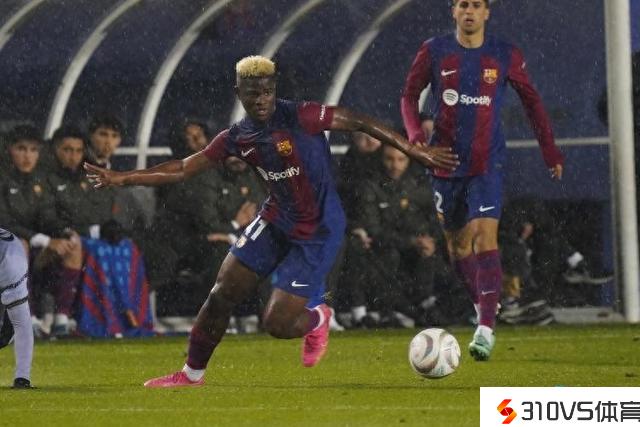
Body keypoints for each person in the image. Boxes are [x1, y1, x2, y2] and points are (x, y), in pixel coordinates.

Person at [86, 55, 458, 387]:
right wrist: (123, 177)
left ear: (274, 90)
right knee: (220, 294)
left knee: (277, 325)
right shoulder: (237, 136)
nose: (261, 99)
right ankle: (191, 374)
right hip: (275, 220)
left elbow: (360, 122)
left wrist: (417, 152)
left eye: (266, 92)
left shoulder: (302, 116)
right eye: (253, 94)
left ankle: (317, 318)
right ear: (239, 94)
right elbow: (184, 167)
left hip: (318, 230)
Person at [401, 0, 564, 361]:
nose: (470, 11)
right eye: (463, 4)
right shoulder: (435, 50)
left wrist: (550, 151)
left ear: (487, 12)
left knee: (485, 237)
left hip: (487, 163)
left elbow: (532, 103)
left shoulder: (504, 54)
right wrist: (415, 137)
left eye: (476, 5)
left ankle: (486, 329)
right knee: (458, 248)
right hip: (445, 163)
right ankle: (483, 305)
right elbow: (409, 96)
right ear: (453, 11)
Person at [0, 227, 35, 389]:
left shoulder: (11, 263)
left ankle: (22, 377)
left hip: (10, 258)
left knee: (19, 320)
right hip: (11, 253)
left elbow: (21, 324)